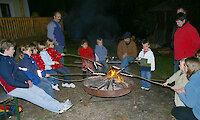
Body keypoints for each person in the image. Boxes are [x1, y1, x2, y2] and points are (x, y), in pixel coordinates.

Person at [0, 39, 72, 113]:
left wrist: (27, 80)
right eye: (12, 49)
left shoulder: (9, 58)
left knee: (40, 92)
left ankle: (59, 105)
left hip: (20, 83)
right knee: (35, 97)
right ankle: (58, 109)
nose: (14, 51)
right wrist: (26, 85)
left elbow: (18, 72)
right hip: (12, 88)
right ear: (5, 50)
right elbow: (10, 82)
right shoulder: (2, 63)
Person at [171, 8, 187, 73]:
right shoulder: (176, 26)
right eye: (177, 13)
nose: (178, 14)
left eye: (180, 13)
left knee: (183, 73)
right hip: (176, 54)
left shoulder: (188, 27)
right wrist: (173, 45)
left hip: (184, 55)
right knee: (176, 72)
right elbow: (173, 38)